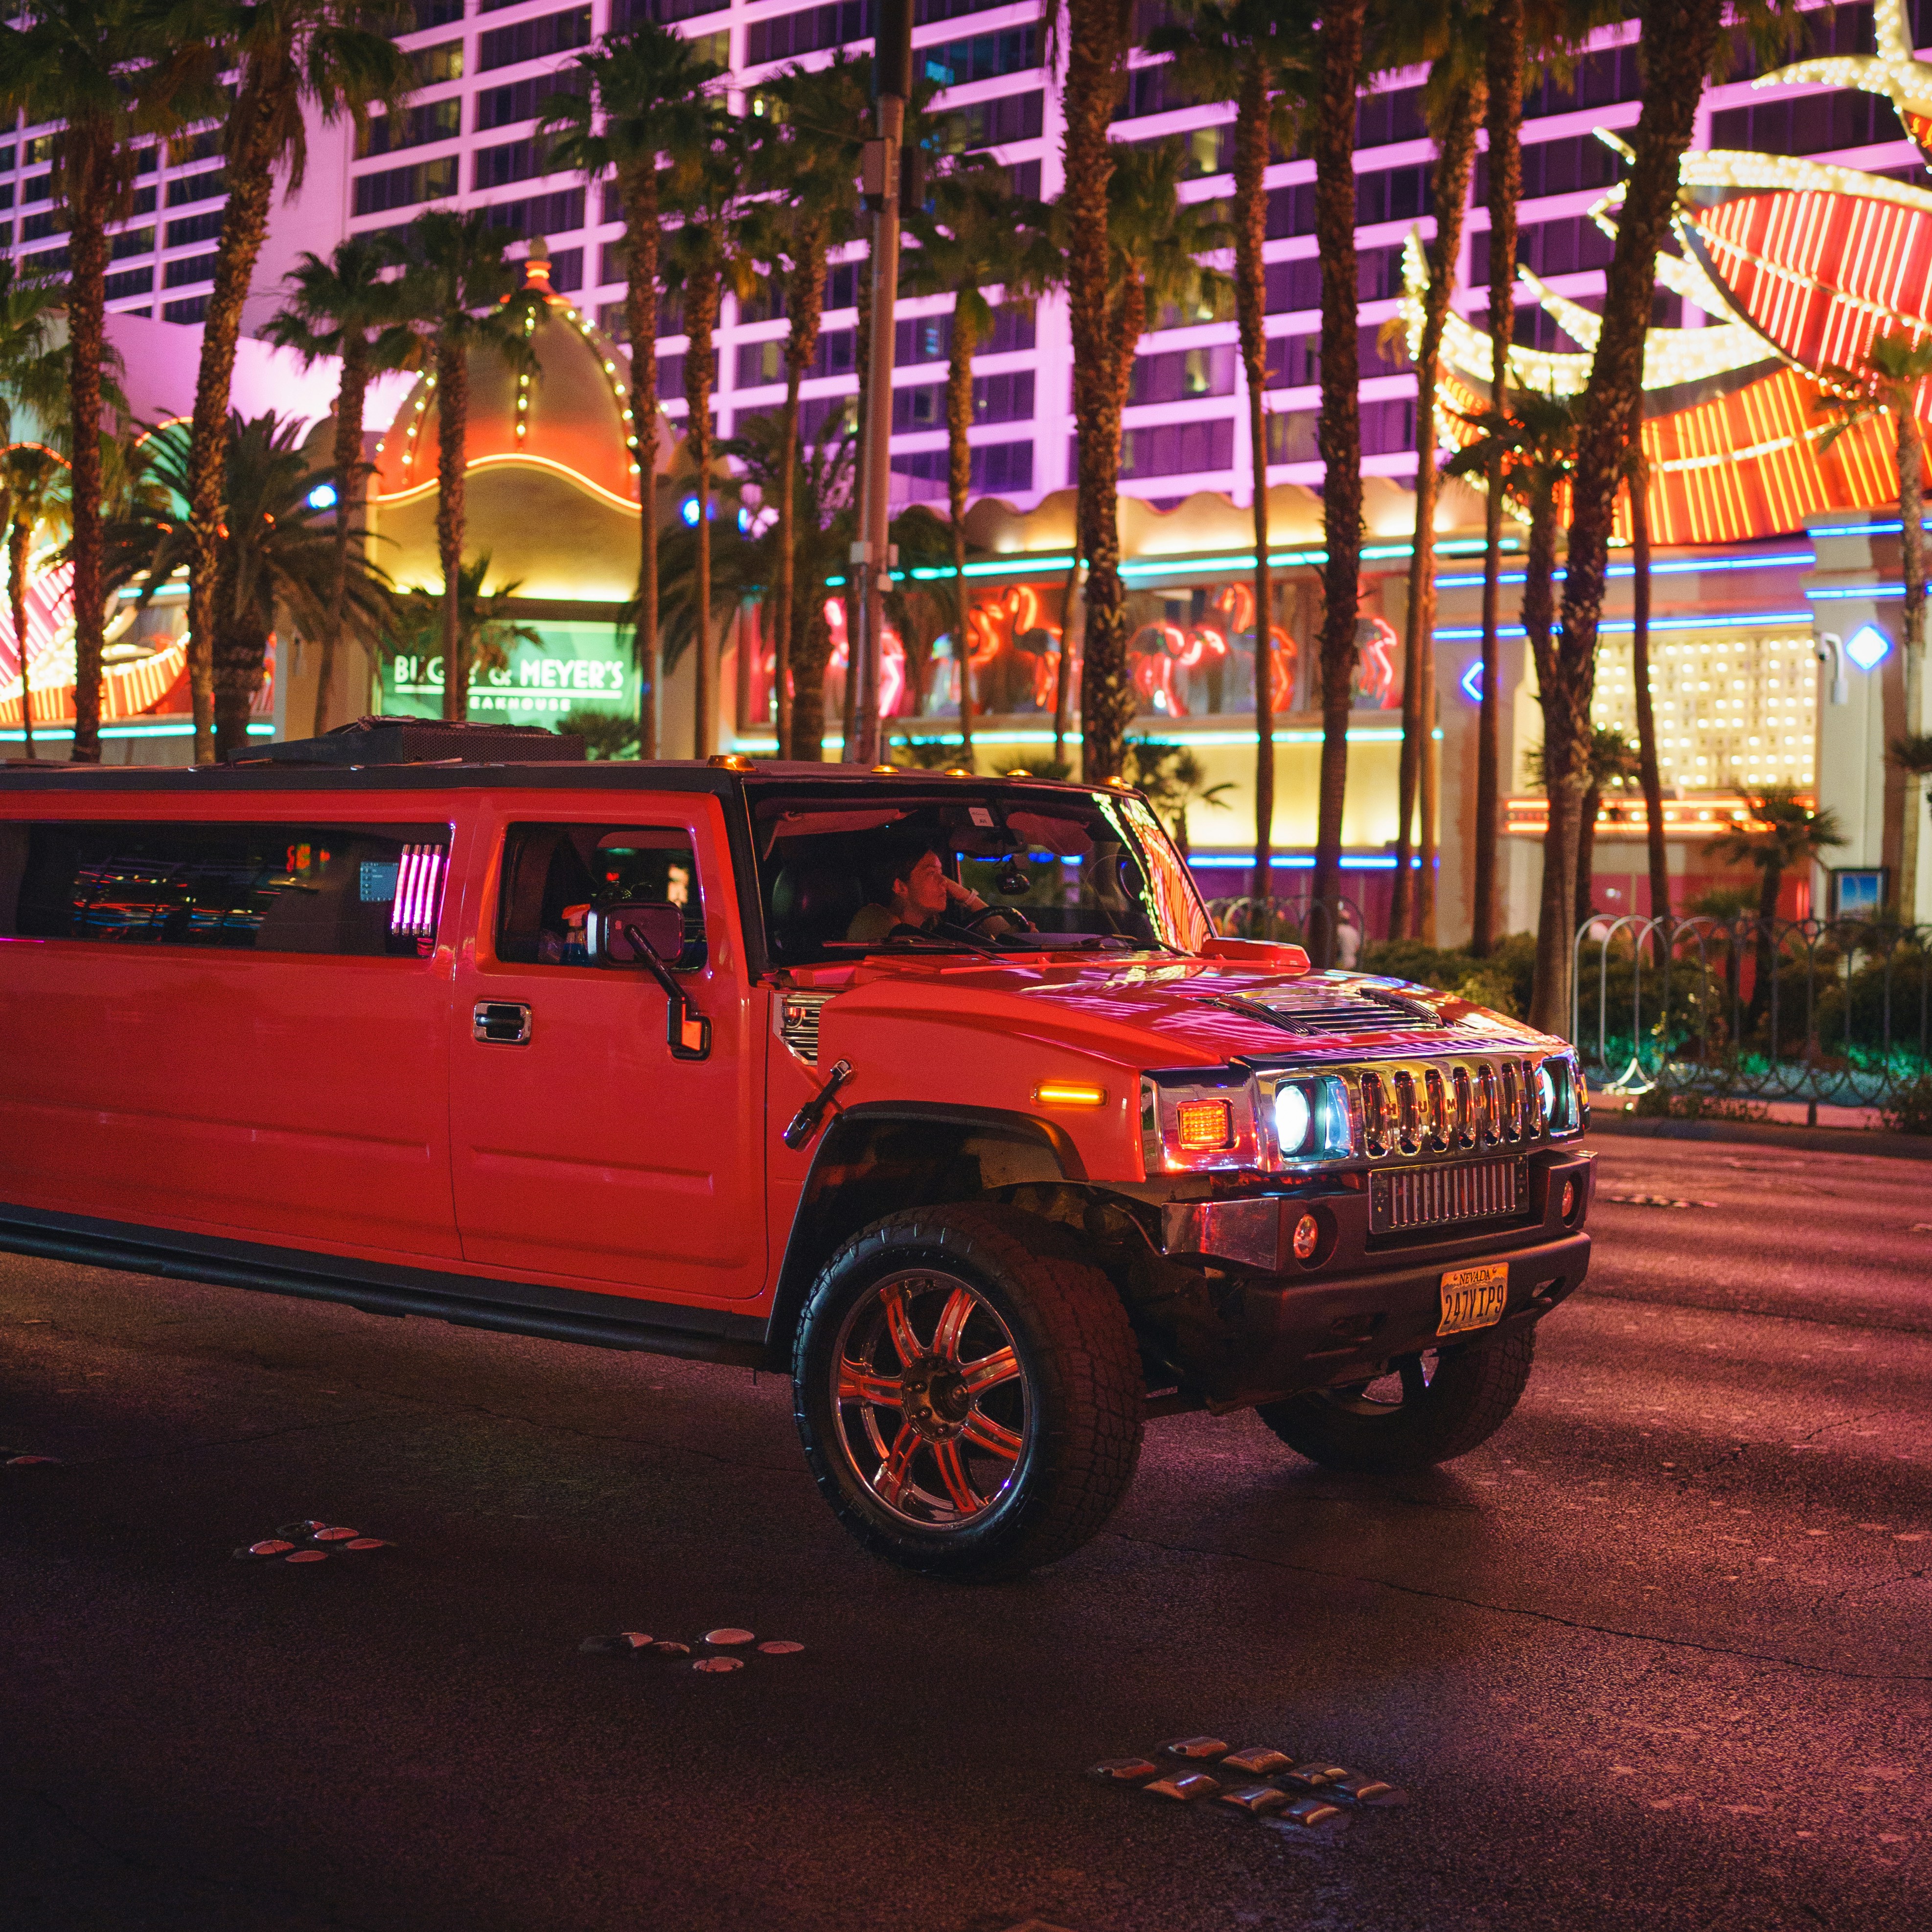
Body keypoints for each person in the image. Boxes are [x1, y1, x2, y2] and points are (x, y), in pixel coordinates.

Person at [846, 840, 1012, 943]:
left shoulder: (934, 925)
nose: (945, 883)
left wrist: (966, 896)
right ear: (901, 887)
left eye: (942, 874)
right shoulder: (875, 920)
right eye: (932, 873)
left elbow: (1009, 939)